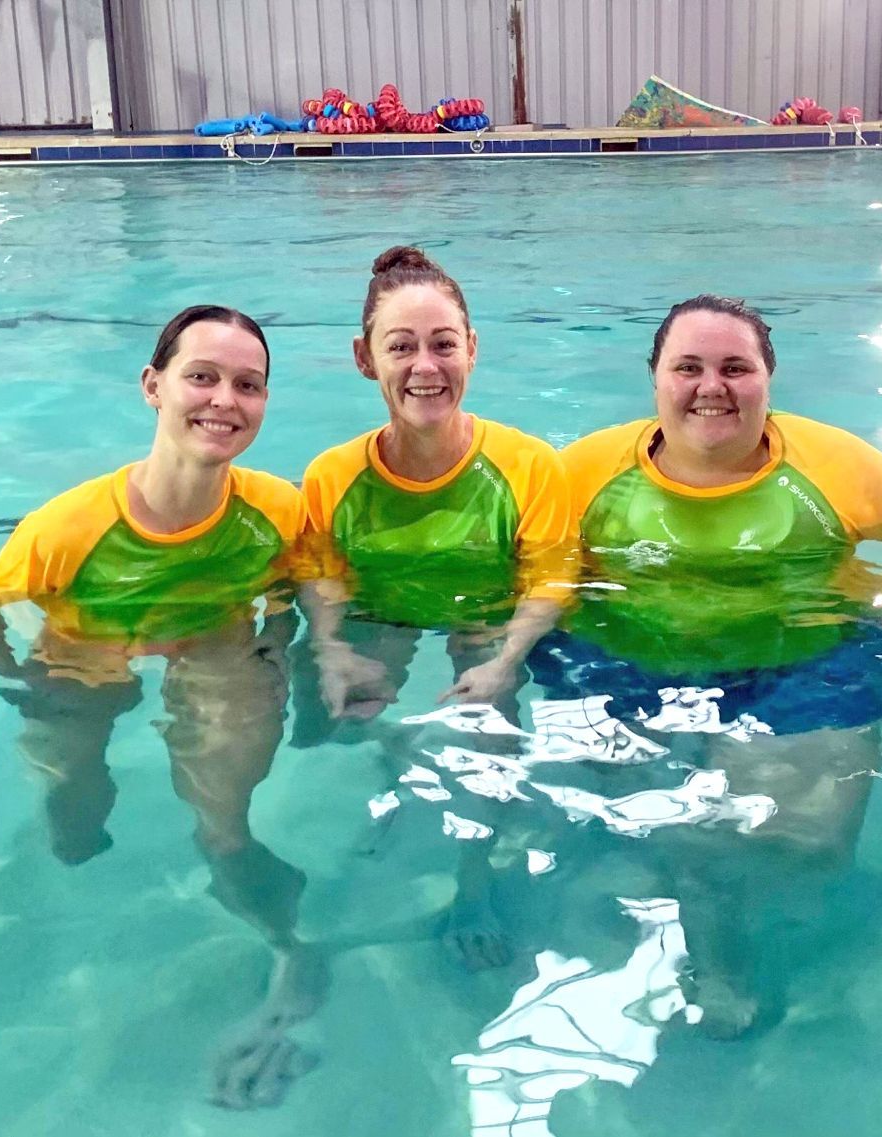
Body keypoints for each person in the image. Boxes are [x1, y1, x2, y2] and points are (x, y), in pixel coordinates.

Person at [537, 294, 882, 1036]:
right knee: (647, 830)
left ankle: (701, 884)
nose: (713, 386)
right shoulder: (581, 474)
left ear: (769, 379)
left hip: (798, 670)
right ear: (655, 380)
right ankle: (710, 908)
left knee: (814, 848)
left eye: (736, 367)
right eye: (689, 367)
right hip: (626, 667)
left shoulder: (835, 465)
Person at [0, 306, 324, 1108]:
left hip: (215, 643)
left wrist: (282, 649)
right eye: (202, 376)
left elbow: (298, 582)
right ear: (154, 386)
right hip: (86, 650)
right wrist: (16, 676)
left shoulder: (276, 508)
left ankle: (286, 952)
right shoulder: (66, 529)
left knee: (225, 821)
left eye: (247, 385)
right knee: (73, 810)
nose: (224, 399)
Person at [295, 246, 573, 969]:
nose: (425, 366)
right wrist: (330, 649)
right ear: (364, 358)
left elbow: (549, 578)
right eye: (401, 346)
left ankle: (472, 885)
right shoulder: (331, 475)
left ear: (472, 350)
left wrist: (507, 660)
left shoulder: (526, 464)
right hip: (383, 609)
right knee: (333, 715)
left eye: (443, 344)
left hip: (485, 610)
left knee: (492, 740)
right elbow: (322, 577)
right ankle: (398, 753)